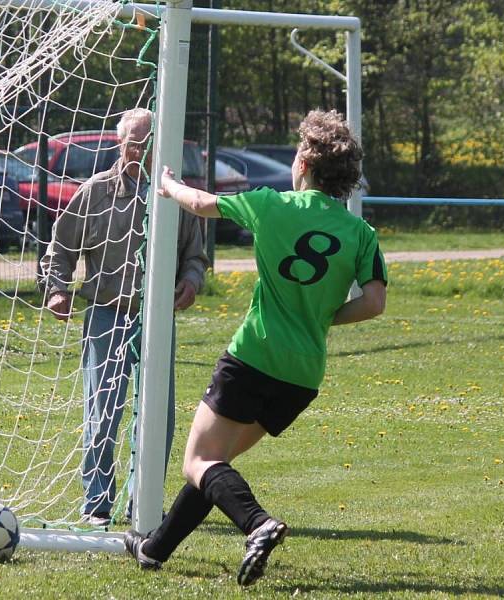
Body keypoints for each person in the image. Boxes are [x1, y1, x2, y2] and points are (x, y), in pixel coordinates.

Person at [124, 109, 388, 585]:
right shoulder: (360, 233)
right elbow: (373, 303)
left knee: (198, 462)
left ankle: (258, 524)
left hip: (254, 356)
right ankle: (153, 548)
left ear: (303, 165)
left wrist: (167, 186)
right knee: (214, 467)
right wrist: (324, 316)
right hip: (303, 376)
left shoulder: (272, 204)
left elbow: (203, 204)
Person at [40, 108, 208, 527]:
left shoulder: (177, 195)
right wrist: (57, 288)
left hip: (156, 321)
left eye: (147, 142)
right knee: (102, 413)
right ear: (120, 143)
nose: (140, 150)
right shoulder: (94, 192)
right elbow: (59, 249)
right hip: (104, 314)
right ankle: (96, 504)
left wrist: (191, 280)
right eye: (133, 142)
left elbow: (195, 255)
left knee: (157, 418)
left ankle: (142, 503)